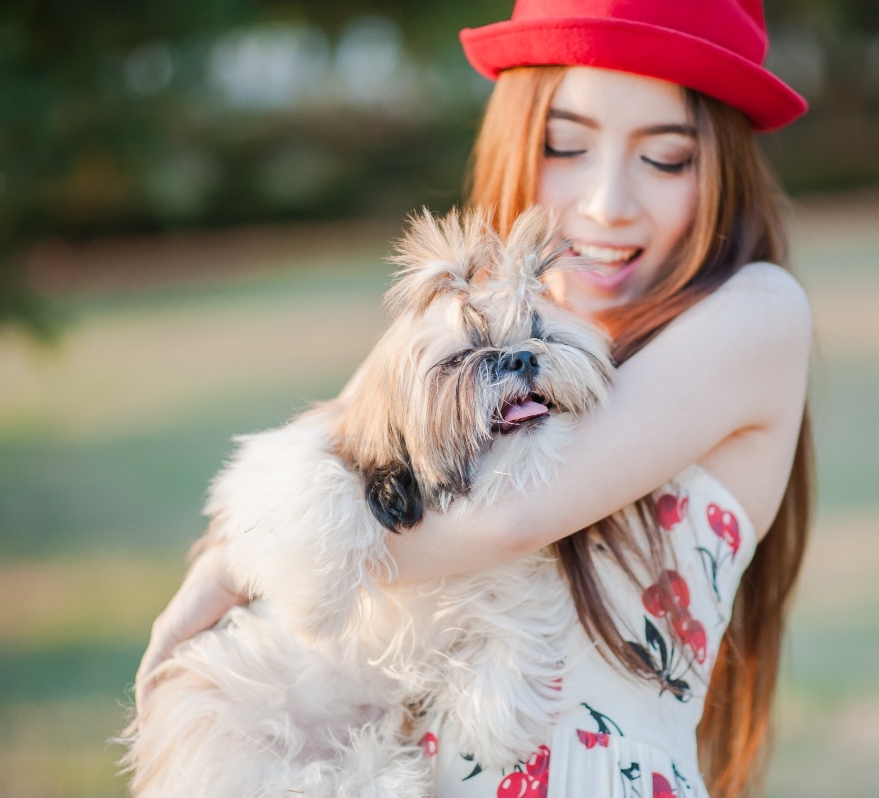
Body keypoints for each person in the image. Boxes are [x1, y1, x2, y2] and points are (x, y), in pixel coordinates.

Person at [134, 1, 814, 796]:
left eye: (665, 159)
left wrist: (256, 557)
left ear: (724, 166)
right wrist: (237, 556)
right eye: (565, 146)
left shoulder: (758, 312)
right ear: (517, 136)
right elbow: (337, 442)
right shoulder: (469, 321)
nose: (605, 204)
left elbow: (507, 518)